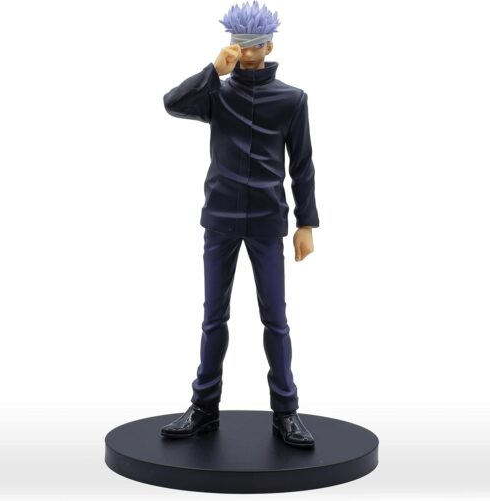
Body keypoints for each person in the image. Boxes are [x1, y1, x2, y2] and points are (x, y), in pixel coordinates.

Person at [160, 1, 319, 448]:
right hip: (221, 218)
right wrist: (213, 70)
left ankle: (286, 412)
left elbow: (302, 164)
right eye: (239, 45)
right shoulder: (217, 93)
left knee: (276, 319)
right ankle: (203, 408)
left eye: (254, 46)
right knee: (213, 316)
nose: (246, 54)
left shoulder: (292, 99)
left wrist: (306, 223)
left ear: (270, 46)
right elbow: (172, 103)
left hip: (267, 219)